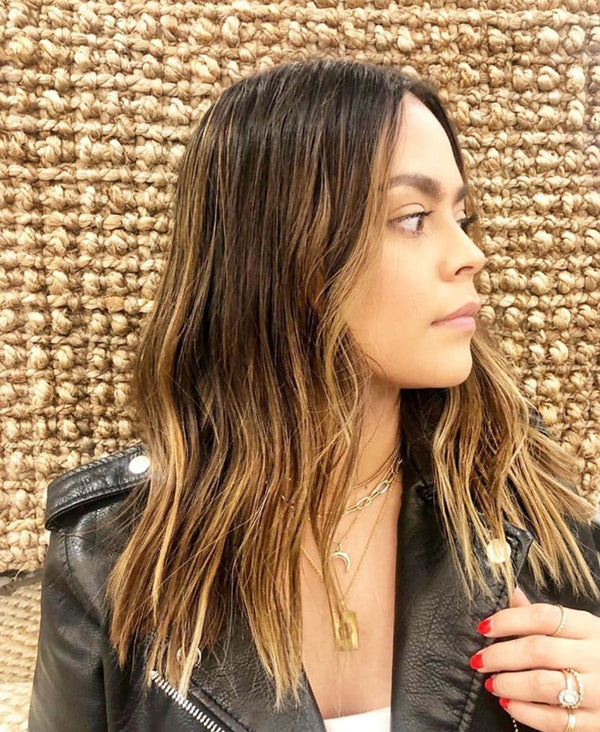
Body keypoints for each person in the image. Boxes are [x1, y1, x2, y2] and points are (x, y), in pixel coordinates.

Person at [28, 58, 600, 732]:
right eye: (413, 217)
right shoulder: (112, 554)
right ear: (282, 252)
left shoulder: (527, 508)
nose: (470, 255)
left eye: (463, 217)